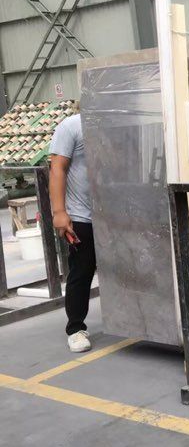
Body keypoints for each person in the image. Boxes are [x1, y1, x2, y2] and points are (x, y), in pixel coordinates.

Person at [49, 113, 96, 352]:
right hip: (82, 215)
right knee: (82, 270)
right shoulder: (72, 125)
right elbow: (57, 167)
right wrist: (59, 212)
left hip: (116, 214)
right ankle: (76, 329)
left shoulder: (115, 121)